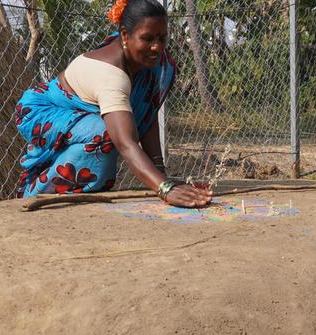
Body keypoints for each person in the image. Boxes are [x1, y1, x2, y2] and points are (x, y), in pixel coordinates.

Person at [13, 0, 213, 208]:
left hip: (85, 114)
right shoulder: (111, 77)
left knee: (109, 128)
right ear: (125, 36)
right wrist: (164, 188)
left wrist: (162, 175)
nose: (157, 47)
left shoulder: (149, 64)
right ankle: (41, 192)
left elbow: (146, 110)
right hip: (47, 110)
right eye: (147, 38)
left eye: (162, 38)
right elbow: (125, 142)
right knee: (105, 134)